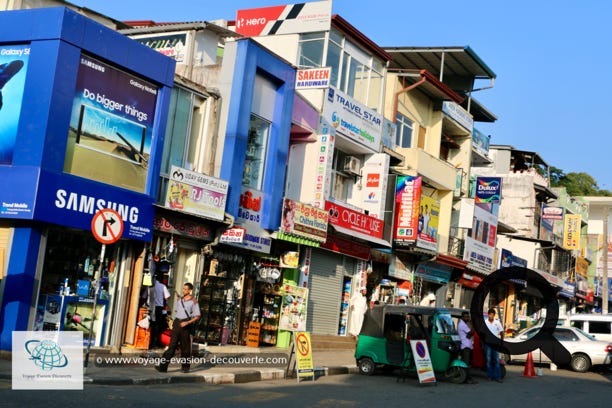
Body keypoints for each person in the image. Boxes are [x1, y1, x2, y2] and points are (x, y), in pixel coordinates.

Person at [155, 283, 200, 373]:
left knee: (185, 347)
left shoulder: (194, 301)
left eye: (185, 289)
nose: (183, 290)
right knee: (172, 346)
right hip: (177, 323)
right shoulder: (180, 300)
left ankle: (185, 367)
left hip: (186, 324)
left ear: (190, 290)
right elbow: (176, 311)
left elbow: (197, 316)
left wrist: (187, 322)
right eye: (183, 289)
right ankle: (163, 367)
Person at [148, 273, 170, 349]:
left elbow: (144, 296)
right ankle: (154, 343)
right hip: (158, 308)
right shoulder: (163, 286)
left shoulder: (150, 286)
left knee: (150, 325)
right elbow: (167, 297)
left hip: (150, 307)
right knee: (156, 326)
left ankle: (148, 342)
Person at [484, 308, 504, 383]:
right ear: (488, 315)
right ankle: (489, 376)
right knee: (488, 360)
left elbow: (502, 332)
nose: (491, 316)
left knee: (496, 360)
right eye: (490, 314)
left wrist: (501, 342)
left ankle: (497, 377)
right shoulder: (485, 322)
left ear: (494, 315)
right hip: (488, 344)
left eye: (492, 314)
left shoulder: (497, 322)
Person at [458, 311, 477, 384]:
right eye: (465, 317)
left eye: (468, 317)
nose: (467, 318)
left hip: (468, 346)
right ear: (462, 317)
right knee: (466, 364)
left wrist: (470, 334)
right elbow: (471, 333)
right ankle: (466, 379)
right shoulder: (462, 325)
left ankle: (468, 378)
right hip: (465, 346)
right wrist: (473, 325)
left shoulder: (464, 325)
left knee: (468, 364)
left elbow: (469, 335)